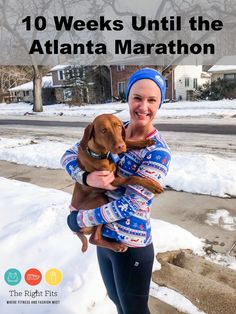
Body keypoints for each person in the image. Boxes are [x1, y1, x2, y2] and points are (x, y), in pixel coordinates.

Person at [61, 68, 171, 314]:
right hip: (105, 241)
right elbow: (69, 155)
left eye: (151, 100)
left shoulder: (157, 152)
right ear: (128, 99)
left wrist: (78, 219)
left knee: (133, 309)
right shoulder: (112, 126)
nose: (143, 106)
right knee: (116, 301)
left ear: (160, 103)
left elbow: (129, 205)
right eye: (137, 98)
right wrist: (87, 178)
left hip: (131, 245)